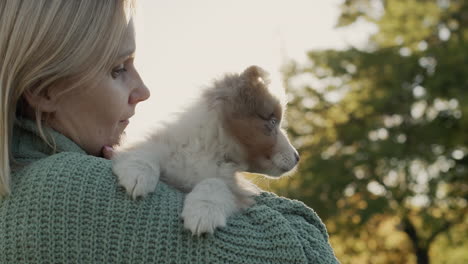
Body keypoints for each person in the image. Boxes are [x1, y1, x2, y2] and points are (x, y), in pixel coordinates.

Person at [0, 1, 339, 263]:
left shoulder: (20, 182)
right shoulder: (68, 191)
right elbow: (308, 250)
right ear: (45, 92)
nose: (143, 90)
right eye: (118, 69)